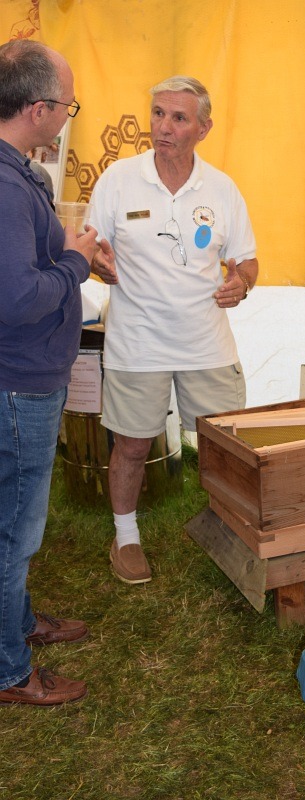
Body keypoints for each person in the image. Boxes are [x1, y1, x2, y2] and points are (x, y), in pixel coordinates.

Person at [90, 75, 258, 585]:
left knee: (224, 446)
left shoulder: (223, 188)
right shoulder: (118, 180)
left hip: (206, 341)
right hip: (136, 342)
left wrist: (241, 284)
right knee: (133, 445)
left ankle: (231, 531)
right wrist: (100, 261)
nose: (163, 127)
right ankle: (126, 537)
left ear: (203, 128)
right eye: (158, 114)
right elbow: (91, 243)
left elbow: (247, 261)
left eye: (178, 118)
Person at [0, 40, 98, 705]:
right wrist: (77, 261)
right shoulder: (7, 185)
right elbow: (20, 297)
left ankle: (21, 621)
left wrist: (58, 251)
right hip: (17, 384)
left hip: (26, 377)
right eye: (66, 106)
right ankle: (9, 670)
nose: (67, 116)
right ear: (37, 109)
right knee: (14, 529)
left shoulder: (17, 172)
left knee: (14, 522)